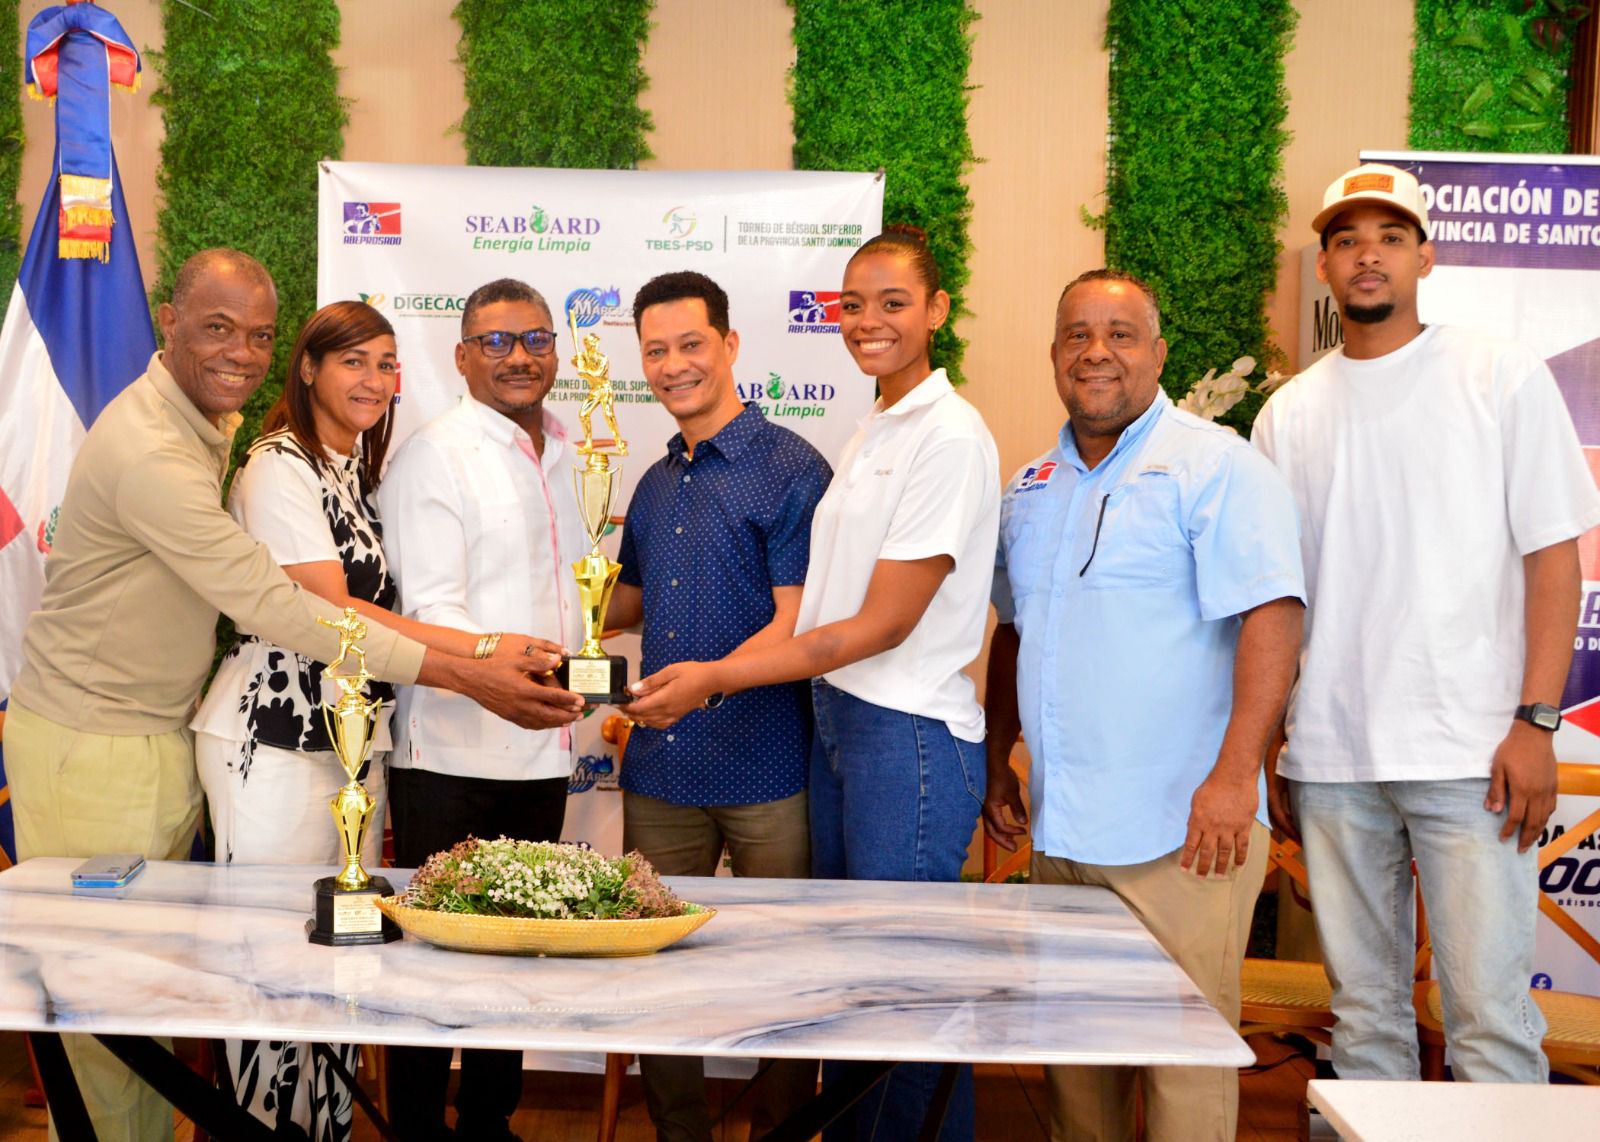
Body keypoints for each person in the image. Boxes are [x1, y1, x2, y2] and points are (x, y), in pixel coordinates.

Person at [1, 250, 573, 1142]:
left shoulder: (235, 432)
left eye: (258, 334)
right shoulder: (175, 449)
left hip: (214, 737)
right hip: (124, 739)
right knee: (118, 998)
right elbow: (287, 608)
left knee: (184, 994)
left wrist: (482, 654)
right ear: (169, 323)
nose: (240, 352)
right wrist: (472, 667)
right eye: (217, 328)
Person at [625, 226, 1000, 1142]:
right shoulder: (878, 425)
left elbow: (872, 625)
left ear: (938, 310)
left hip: (903, 734)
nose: (869, 321)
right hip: (845, 729)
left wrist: (714, 679)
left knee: (900, 988)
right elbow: (626, 603)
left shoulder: (944, 435)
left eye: (894, 303)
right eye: (854, 305)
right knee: (857, 981)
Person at [1253, 162, 1600, 1083]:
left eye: (1390, 238)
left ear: (1425, 256)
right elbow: (1280, 595)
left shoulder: (1498, 374)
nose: (1368, 255)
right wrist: (1277, 735)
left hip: (1472, 754)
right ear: (1325, 266)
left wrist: (1536, 723)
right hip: (1332, 760)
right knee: (1364, 1021)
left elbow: (1554, 560)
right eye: (1347, 240)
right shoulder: (1288, 414)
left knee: (1489, 1021)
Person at [188, 300, 563, 1141]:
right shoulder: (277, 467)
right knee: (271, 966)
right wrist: (482, 650)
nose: (374, 379)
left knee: (338, 964)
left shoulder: (352, 470)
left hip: (350, 748)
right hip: (274, 741)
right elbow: (334, 612)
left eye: (387, 363)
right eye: (353, 361)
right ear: (309, 368)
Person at [982, 269, 1305, 1142]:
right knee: (1077, 1070)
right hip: (1063, 833)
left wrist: (1236, 779)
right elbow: (1013, 630)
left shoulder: (1217, 465)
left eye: (1120, 334)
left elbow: (1274, 615)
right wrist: (997, 760)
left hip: (1185, 832)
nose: (1097, 352)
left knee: (1182, 1070)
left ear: (1158, 354)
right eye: (1077, 334)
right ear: (1054, 355)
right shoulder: (1030, 484)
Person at [603, 271, 831, 1141]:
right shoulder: (655, 481)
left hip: (768, 767)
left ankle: (783, 1131)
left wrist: (706, 682)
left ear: (730, 345)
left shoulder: (793, 469)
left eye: (690, 344)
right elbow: (624, 604)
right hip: (662, 770)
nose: (673, 365)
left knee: (784, 973)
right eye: (655, 351)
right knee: (656, 971)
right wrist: (539, 612)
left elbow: (794, 623)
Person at [378, 277, 589, 1142]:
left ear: (555, 352)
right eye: (496, 342)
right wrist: (517, 670)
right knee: (434, 965)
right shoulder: (435, 455)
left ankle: (489, 1123)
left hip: (543, 748)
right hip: (450, 755)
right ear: (462, 357)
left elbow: (577, 595)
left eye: (535, 339)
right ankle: (418, 1128)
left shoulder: (571, 452)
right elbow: (432, 611)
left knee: (517, 950)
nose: (518, 357)